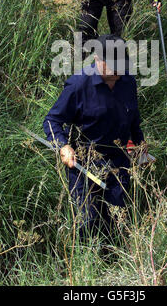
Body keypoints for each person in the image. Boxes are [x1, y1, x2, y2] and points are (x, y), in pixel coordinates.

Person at [43, 34, 146, 242]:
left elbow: (133, 117)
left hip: (118, 162)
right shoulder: (78, 85)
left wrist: (139, 144)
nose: (119, 69)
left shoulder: (128, 81)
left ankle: (115, 263)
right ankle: (87, 266)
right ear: (98, 60)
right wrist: (63, 147)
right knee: (88, 224)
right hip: (85, 164)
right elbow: (52, 121)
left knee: (117, 221)